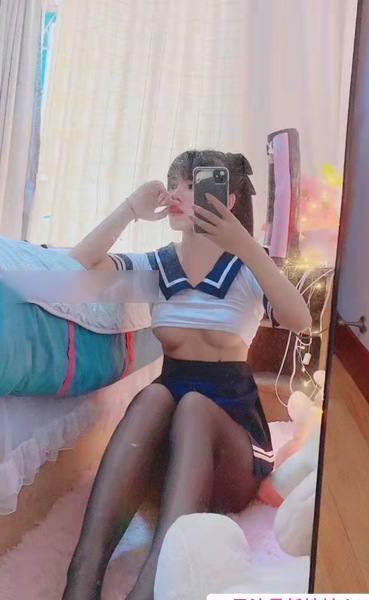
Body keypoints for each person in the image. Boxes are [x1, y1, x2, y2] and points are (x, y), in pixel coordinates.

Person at [63, 150, 312, 600]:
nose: (176, 192)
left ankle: (152, 585)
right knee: (154, 397)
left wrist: (247, 246)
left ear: (227, 199)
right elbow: (79, 265)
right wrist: (129, 210)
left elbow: (301, 320)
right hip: (169, 444)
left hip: (233, 444)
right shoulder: (159, 266)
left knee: (195, 405)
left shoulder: (246, 267)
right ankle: (82, 577)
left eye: (193, 184)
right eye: (174, 182)